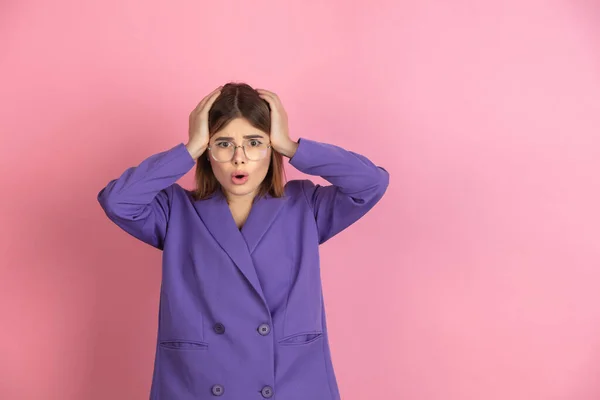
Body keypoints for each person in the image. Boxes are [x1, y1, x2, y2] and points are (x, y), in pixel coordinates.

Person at [97, 82, 389, 399]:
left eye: (254, 142)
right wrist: (188, 149)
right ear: (208, 153)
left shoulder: (305, 205)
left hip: (290, 383)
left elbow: (370, 183)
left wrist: (291, 146)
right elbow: (118, 201)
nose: (240, 158)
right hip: (197, 385)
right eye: (223, 143)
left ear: (270, 148)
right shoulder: (175, 211)